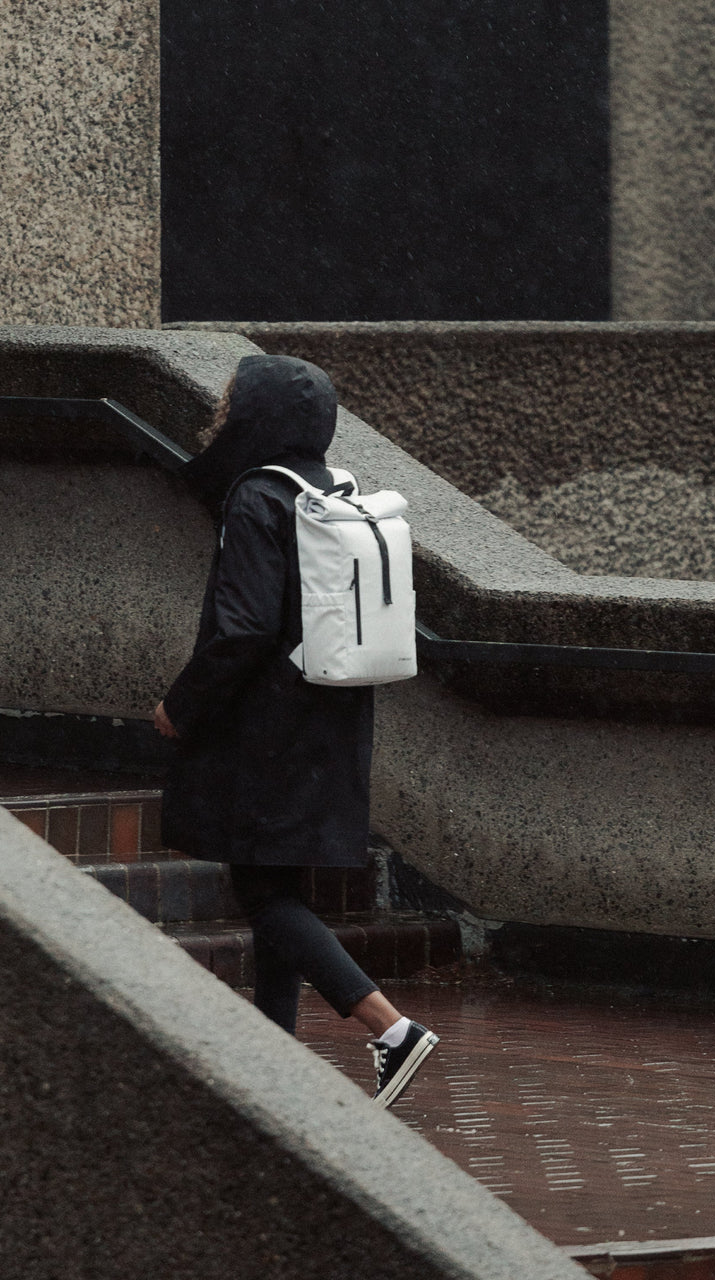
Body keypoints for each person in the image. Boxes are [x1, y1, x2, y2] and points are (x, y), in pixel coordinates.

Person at [153, 353, 437, 1109]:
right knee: (273, 882)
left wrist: (182, 704)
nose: (217, 413)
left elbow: (241, 627)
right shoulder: (327, 488)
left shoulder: (258, 496)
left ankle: (390, 1028)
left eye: (229, 401)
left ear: (257, 416)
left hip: (269, 724)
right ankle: (273, 1064)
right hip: (331, 716)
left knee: (264, 891)